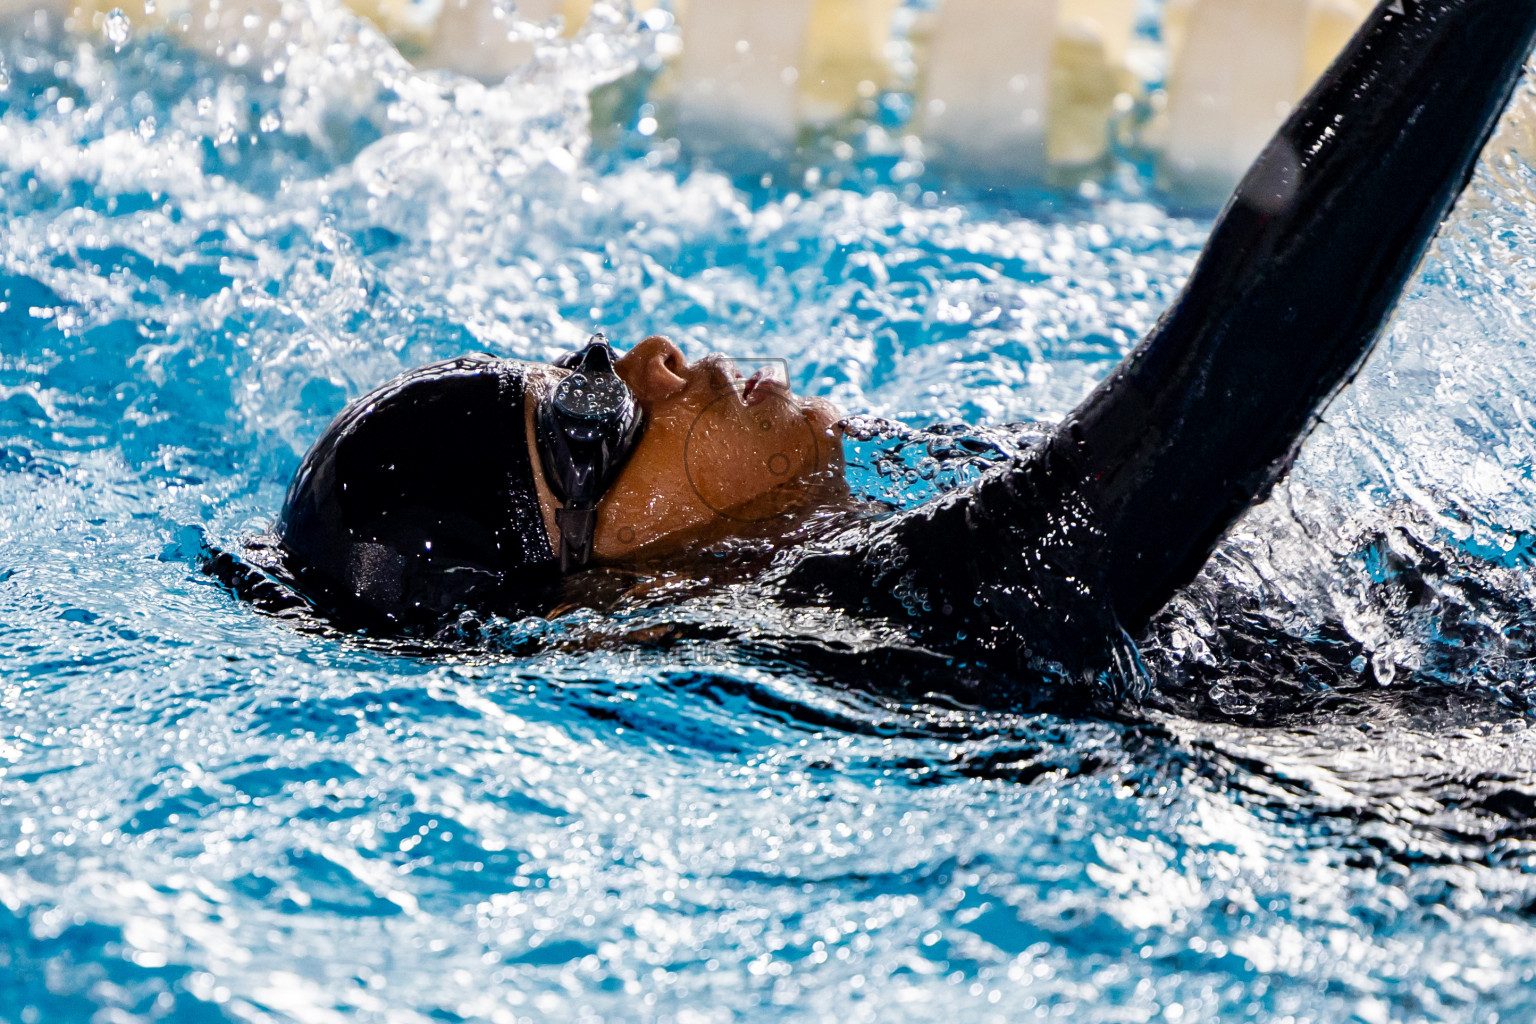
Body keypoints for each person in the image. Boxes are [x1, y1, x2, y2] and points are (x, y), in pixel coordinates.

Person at [267, 0, 1536, 690]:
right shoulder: (924, 620)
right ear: (605, 602)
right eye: (591, 432)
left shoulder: (885, 507)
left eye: (590, 369)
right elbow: (1241, 357)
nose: (653, 361)